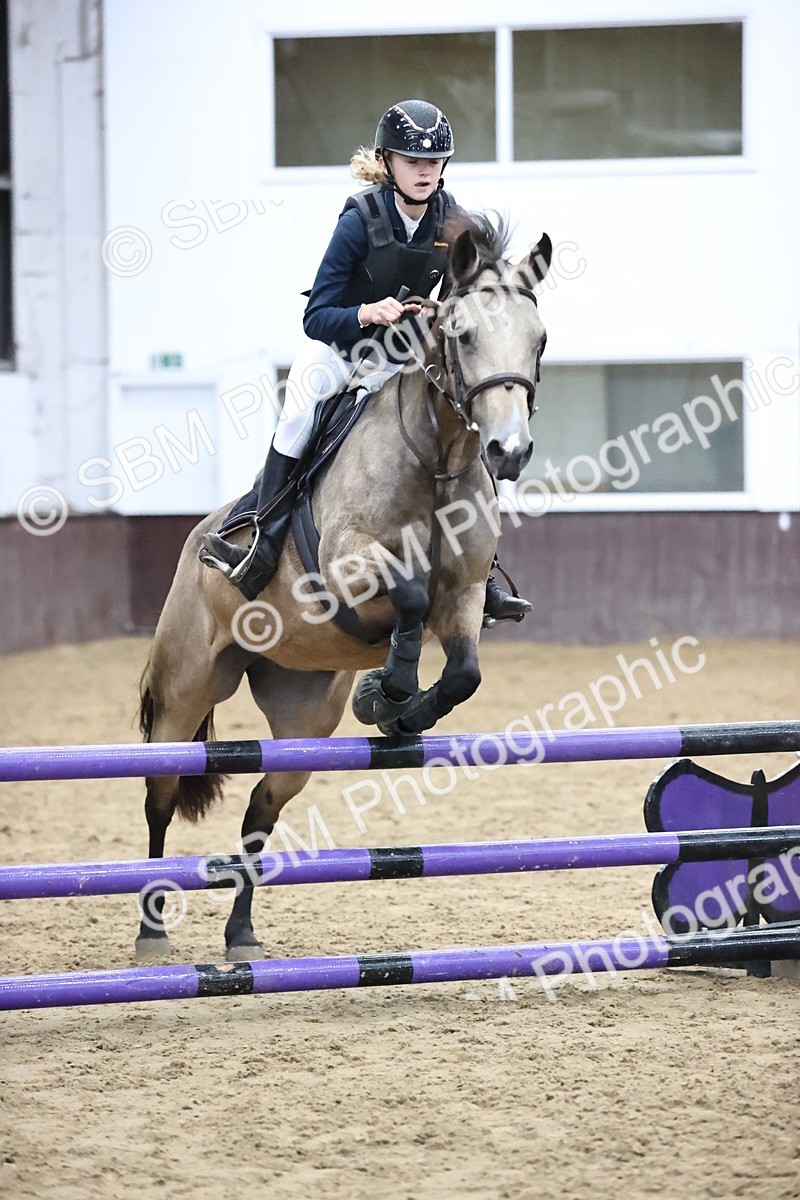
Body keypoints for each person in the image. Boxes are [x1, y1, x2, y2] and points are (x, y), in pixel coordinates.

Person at [200, 99, 532, 625]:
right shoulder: (359, 220)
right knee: (297, 413)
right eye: (411, 161)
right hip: (339, 349)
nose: (424, 171)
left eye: (434, 161)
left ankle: (481, 568)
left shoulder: (452, 222)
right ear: (388, 162)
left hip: (400, 358)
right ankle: (263, 539)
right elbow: (317, 316)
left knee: (459, 420)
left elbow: (468, 296)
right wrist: (365, 312)